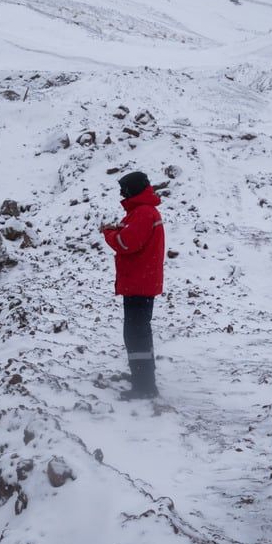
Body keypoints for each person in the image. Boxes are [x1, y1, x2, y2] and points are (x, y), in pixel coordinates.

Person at [101, 171, 165, 400]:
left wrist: (109, 233)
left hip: (140, 282)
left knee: (135, 333)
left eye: (124, 189)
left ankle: (144, 386)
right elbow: (130, 236)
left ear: (132, 189)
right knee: (140, 331)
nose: (121, 194)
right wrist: (117, 229)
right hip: (141, 281)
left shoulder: (144, 212)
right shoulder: (142, 211)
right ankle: (143, 377)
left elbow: (126, 243)